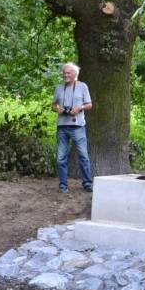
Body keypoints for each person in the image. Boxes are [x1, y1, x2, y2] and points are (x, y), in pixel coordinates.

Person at [51, 62, 93, 193]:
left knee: (83, 156)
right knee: (60, 158)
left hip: (78, 126)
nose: (65, 75)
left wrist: (79, 108)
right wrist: (58, 109)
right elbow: (53, 106)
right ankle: (63, 185)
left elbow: (89, 105)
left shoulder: (82, 86)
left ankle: (87, 183)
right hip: (62, 127)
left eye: (68, 72)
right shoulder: (58, 88)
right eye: (64, 72)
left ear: (75, 74)